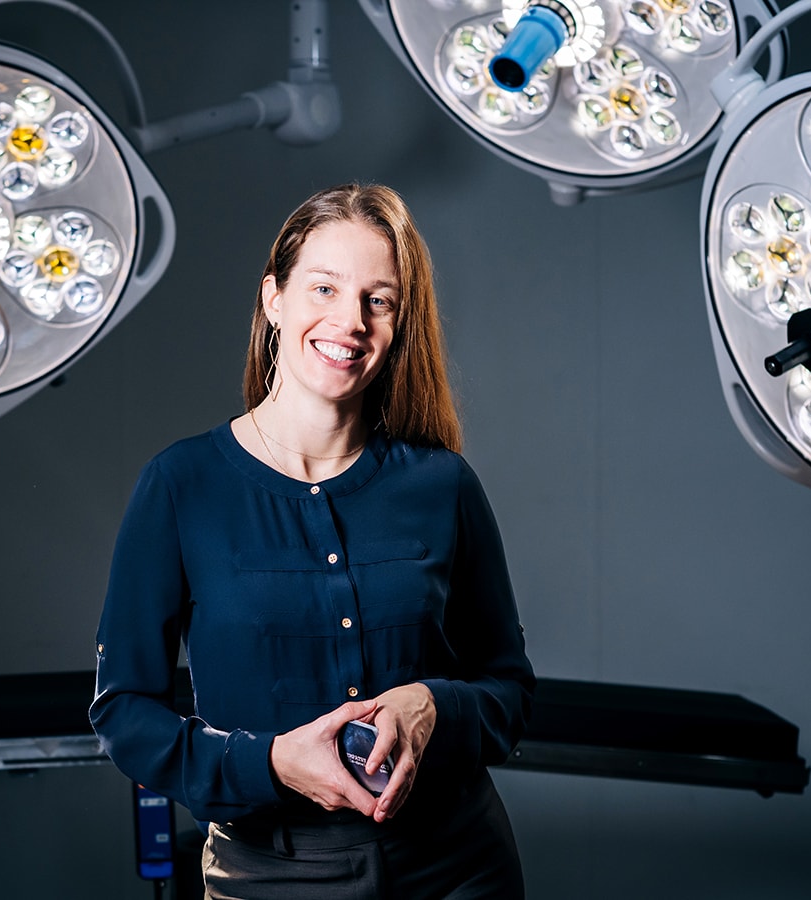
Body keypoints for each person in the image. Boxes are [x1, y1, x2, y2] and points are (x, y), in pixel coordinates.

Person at [90, 183, 535, 898]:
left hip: (460, 867)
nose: (349, 321)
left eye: (378, 300)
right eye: (323, 288)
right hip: (271, 876)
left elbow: (509, 691)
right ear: (274, 299)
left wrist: (430, 705)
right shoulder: (182, 486)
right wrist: (267, 765)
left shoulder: (443, 484)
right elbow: (124, 715)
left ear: (399, 322)